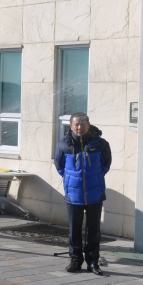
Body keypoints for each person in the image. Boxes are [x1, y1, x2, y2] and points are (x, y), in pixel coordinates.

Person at [53, 113, 112, 276]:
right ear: (71, 126)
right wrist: (70, 179)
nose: (79, 127)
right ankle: (75, 260)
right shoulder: (63, 145)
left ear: (88, 125)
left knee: (94, 231)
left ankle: (93, 262)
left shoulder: (100, 144)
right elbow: (59, 166)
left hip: (95, 194)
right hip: (73, 195)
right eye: (76, 124)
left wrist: (97, 176)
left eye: (82, 124)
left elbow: (106, 164)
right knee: (74, 230)